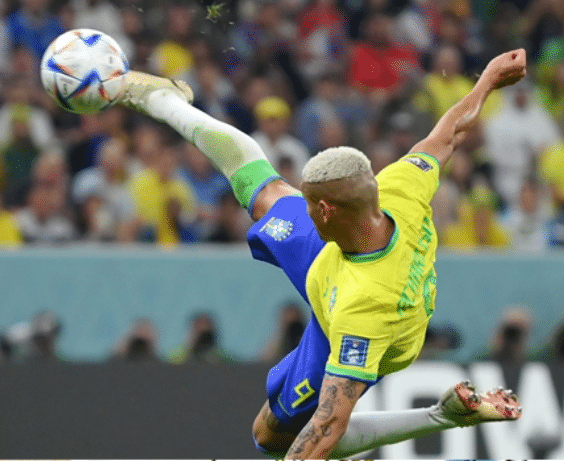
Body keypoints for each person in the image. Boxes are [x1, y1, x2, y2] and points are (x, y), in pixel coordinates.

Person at [115, 48, 526, 458]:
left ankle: (441, 416)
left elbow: (328, 426)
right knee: (264, 190)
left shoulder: (362, 315)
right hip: (338, 254)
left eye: (308, 202)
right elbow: (449, 133)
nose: (301, 206)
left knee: (270, 436)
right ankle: (164, 101)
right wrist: (487, 79)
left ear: (325, 210)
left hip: (362, 318)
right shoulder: (401, 187)